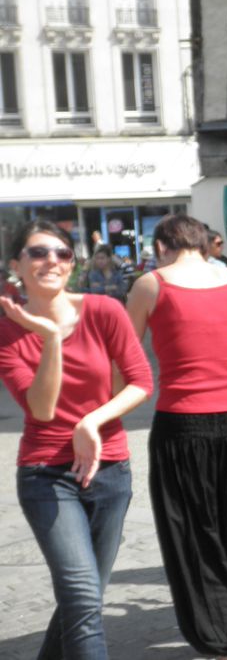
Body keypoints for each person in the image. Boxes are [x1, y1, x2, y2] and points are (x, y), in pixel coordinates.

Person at [0, 220, 153, 658]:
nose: (52, 260)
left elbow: (141, 381)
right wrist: (50, 339)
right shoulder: (8, 331)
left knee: (80, 599)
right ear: (16, 265)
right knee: (84, 598)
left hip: (110, 470)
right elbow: (42, 410)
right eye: (39, 252)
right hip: (46, 474)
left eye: (62, 253)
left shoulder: (105, 310)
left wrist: (91, 422)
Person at [125, 214, 227, 660]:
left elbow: (124, 357)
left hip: (182, 423)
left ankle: (219, 635)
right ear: (205, 244)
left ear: (161, 245)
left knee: (192, 535)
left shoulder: (150, 285)